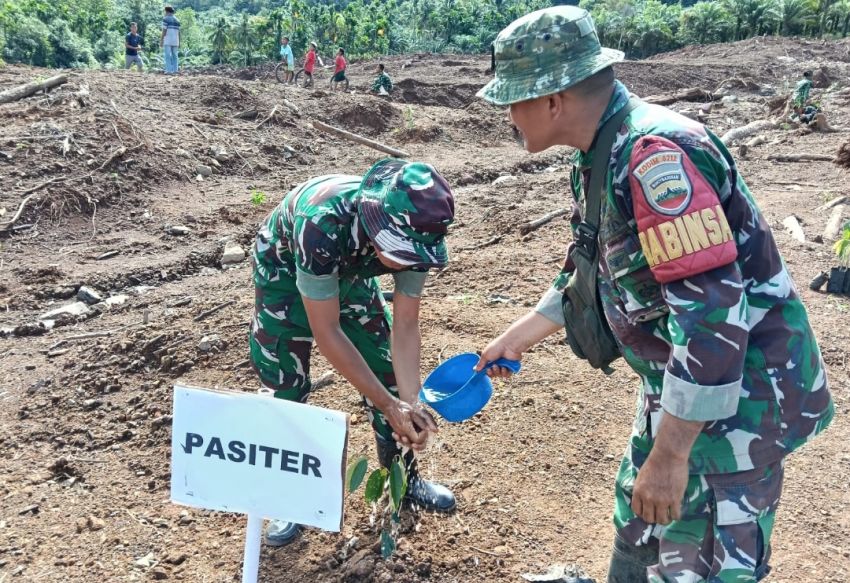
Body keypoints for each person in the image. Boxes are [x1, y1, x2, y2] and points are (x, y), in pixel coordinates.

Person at [475, 6, 834, 582]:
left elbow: (713, 318)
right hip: (678, 391)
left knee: (701, 562)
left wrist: (670, 456)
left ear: (552, 101)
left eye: (513, 100)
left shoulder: (655, 157)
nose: (507, 117)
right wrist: (517, 337)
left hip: (735, 408)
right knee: (640, 527)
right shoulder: (602, 150)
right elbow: (594, 268)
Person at [250, 158, 458, 546]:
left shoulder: (420, 234)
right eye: (400, 251)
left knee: (388, 373)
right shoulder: (321, 222)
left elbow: (406, 324)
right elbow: (326, 332)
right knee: (286, 384)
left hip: (352, 272)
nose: (406, 262)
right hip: (285, 274)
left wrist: (408, 403)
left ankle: (404, 478)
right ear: (376, 222)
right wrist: (388, 406)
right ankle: (285, 497)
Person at [160, 6, 180, 74]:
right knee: (175, 55)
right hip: (175, 40)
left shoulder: (165, 19)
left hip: (168, 39)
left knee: (167, 55)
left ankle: (168, 70)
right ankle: (175, 70)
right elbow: (179, 32)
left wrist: (161, 39)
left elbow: (164, 30)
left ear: (167, 11)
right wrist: (179, 41)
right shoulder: (177, 20)